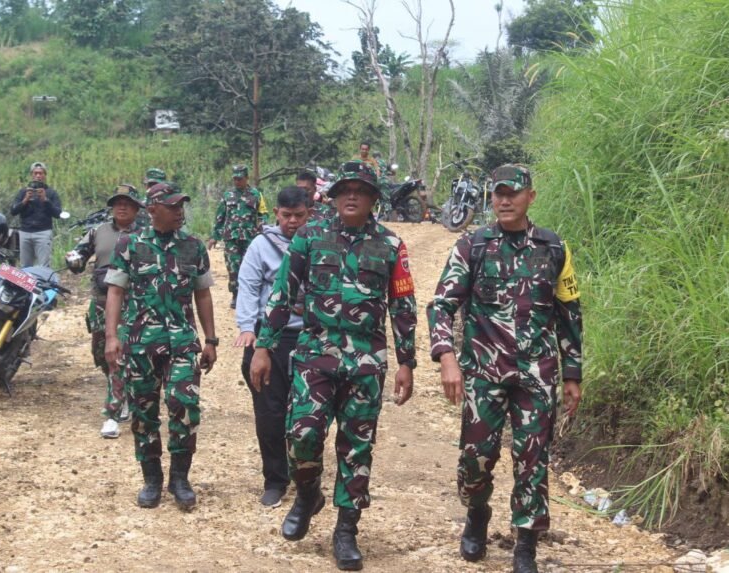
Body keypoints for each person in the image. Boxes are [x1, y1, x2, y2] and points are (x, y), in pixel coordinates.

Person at [250, 161, 418, 571]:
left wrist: (406, 361)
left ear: (374, 198)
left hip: (365, 362)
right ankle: (308, 494)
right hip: (314, 355)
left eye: (361, 190)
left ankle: (346, 530)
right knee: (302, 434)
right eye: (345, 189)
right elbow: (282, 293)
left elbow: (403, 305)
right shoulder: (309, 237)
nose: (352, 196)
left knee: (356, 447)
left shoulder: (392, 245)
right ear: (332, 195)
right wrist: (263, 346)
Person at [426, 164, 583, 572]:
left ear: (531, 195)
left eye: (513, 192)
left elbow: (569, 314)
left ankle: (525, 541)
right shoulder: (473, 246)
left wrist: (572, 374)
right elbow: (442, 305)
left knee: (532, 457)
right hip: (483, 371)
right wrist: (447, 357)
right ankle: (477, 513)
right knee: (475, 457)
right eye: (498, 193)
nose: (504, 200)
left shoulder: (554, 249)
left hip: (536, 373)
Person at [103, 182, 218, 511]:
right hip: (140, 344)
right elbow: (115, 292)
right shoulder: (130, 245)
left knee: (184, 405)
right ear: (153, 209)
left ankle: (180, 478)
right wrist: (112, 337)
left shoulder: (193, 247)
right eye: (173, 205)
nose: (180, 210)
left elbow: (203, 294)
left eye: (182, 204)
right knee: (144, 412)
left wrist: (210, 340)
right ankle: (151, 478)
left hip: (182, 342)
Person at [234, 186, 310, 508]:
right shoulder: (260, 246)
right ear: (276, 214)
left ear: (310, 214)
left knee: (308, 414)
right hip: (270, 339)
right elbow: (249, 287)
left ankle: (308, 477)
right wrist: (248, 328)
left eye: (299, 215)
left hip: (310, 337)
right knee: (269, 413)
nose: (292, 222)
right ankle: (275, 480)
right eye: (286, 215)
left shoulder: (319, 244)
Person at [65, 185, 145, 439]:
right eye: (117, 202)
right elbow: (78, 254)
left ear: (136, 208)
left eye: (127, 203)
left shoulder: (145, 235)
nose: (121, 207)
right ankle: (121, 390)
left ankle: (114, 408)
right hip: (101, 300)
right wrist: (74, 259)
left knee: (119, 355)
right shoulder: (97, 231)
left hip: (131, 302)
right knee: (101, 352)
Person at [207, 164, 269, 309]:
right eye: (235, 179)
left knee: (250, 267)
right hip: (231, 238)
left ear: (247, 178)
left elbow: (263, 214)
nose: (237, 182)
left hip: (250, 237)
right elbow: (220, 217)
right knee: (233, 267)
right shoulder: (228, 196)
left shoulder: (256, 195)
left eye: (240, 179)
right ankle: (235, 294)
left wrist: (263, 227)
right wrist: (214, 236)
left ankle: (250, 295)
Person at [10, 161, 63, 267]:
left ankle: (43, 283)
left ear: (45, 175)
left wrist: (46, 200)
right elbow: (13, 211)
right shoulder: (23, 192)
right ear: (31, 175)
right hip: (25, 233)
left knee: (44, 266)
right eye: (35, 173)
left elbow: (58, 214)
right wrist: (25, 200)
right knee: (25, 266)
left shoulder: (51, 193)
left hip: (43, 233)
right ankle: (26, 284)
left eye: (41, 173)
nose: (38, 176)